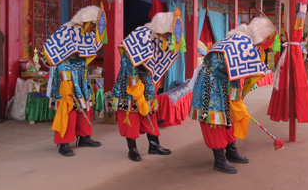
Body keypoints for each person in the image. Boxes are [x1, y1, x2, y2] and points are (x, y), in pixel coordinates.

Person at [190, 15, 276, 174]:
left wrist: (235, 100)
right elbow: (239, 74)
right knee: (215, 121)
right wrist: (236, 100)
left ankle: (231, 151)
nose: (266, 42)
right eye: (267, 38)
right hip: (210, 85)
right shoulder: (243, 45)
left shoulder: (239, 40)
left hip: (224, 83)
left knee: (229, 118)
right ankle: (219, 160)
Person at [109, 11, 183, 161]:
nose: (169, 36)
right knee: (131, 113)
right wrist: (134, 86)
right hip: (130, 79)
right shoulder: (141, 35)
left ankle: (154, 145)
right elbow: (129, 61)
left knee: (150, 110)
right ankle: (132, 149)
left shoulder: (158, 38)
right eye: (169, 32)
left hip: (145, 79)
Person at [43, 5, 107, 157]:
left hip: (82, 74)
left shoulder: (89, 35)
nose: (94, 29)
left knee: (86, 104)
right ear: (86, 21)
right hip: (66, 74)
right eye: (93, 25)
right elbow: (57, 56)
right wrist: (66, 78)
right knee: (68, 106)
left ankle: (84, 136)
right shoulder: (67, 31)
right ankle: (64, 143)